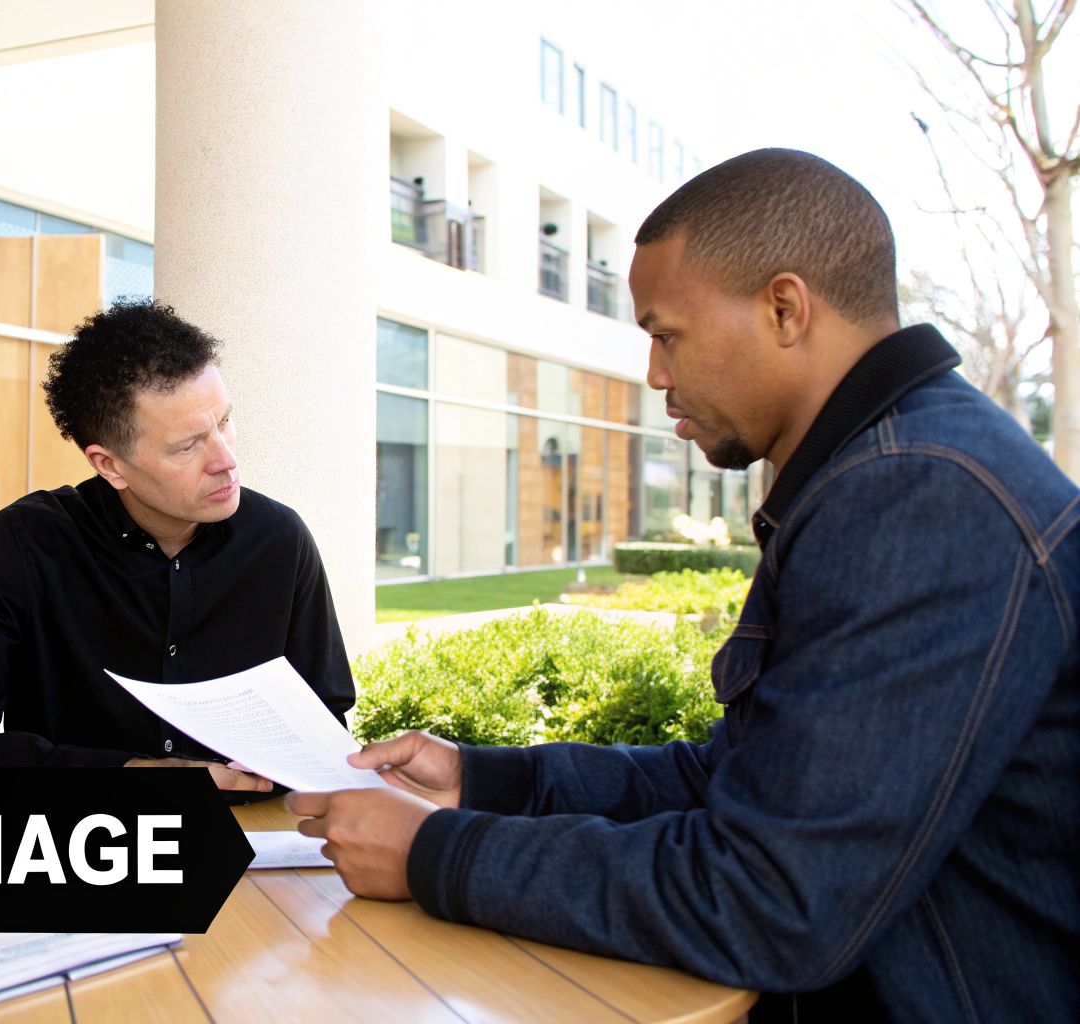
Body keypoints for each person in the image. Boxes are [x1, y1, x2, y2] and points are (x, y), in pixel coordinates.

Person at [288, 149, 1080, 1020]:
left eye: (667, 334)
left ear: (785, 308)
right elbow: (733, 781)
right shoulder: (882, 472)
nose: (658, 376)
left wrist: (439, 854)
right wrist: (485, 781)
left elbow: (771, 899)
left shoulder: (923, 493)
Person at [0, 300, 354, 789]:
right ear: (109, 465)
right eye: (187, 445)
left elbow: (326, 728)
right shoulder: (28, 544)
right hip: (84, 848)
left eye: (223, 423)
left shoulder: (281, 541)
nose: (225, 460)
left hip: (257, 845)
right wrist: (132, 775)